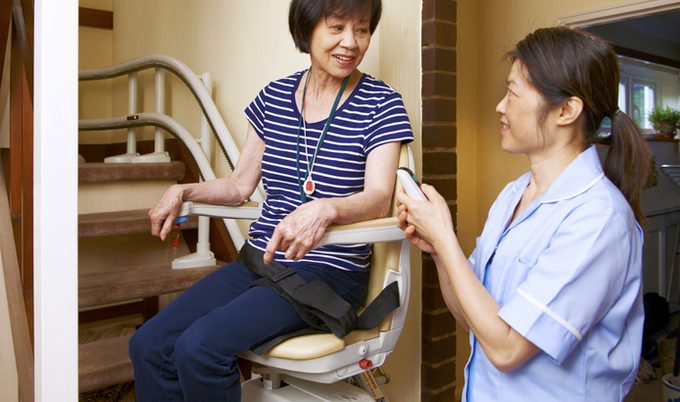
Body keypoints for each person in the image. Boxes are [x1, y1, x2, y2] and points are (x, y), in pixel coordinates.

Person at [128, 0, 413, 400]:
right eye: (337, 27)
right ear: (307, 29)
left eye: (362, 30)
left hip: (326, 273)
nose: (351, 42)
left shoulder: (381, 103)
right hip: (259, 262)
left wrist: (327, 208)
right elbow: (239, 185)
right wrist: (184, 190)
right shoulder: (273, 98)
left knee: (200, 350)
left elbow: (379, 199)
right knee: (148, 345)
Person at [397, 27, 650, 401]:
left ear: (566, 110)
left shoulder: (599, 218)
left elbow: (507, 349)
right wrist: (436, 249)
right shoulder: (514, 194)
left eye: (513, 92)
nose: (500, 105)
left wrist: (447, 239)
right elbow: (473, 318)